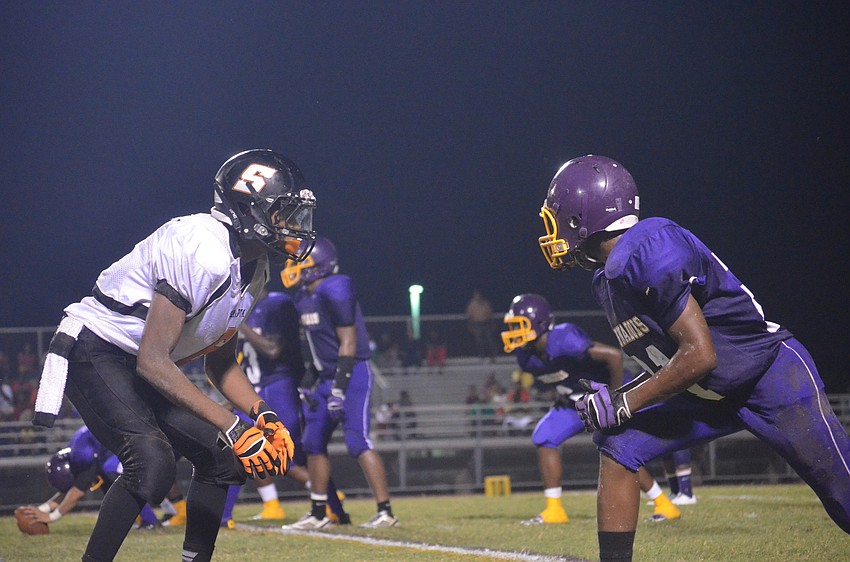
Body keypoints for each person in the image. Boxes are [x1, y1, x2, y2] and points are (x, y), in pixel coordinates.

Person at [537, 154, 850, 561]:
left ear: (585, 215)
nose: (553, 229)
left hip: (766, 375)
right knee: (616, 444)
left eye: (559, 217)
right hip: (704, 394)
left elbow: (701, 354)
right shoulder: (609, 278)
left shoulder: (649, 246)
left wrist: (625, 402)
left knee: (843, 498)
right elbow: (670, 359)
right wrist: (617, 400)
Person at [31, 148, 314, 561]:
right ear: (247, 210)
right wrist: (234, 425)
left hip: (138, 361)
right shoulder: (203, 247)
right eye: (282, 213)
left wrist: (261, 412)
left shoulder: (255, 269)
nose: (293, 226)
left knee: (223, 460)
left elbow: (220, 362)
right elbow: (153, 360)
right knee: (151, 463)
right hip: (96, 348)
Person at [501, 293, 680, 525]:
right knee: (545, 436)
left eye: (519, 325)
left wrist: (615, 401)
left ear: (540, 324)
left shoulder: (564, 339)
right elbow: (563, 376)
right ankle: (554, 511)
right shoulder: (525, 356)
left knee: (616, 449)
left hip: (604, 394)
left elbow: (614, 356)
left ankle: (664, 505)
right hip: (575, 400)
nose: (513, 331)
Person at [281, 236, 398, 529]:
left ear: (320, 264)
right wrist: (307, 381)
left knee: (358, 441)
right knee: (312, 443)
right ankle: (320, 512)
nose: (296, 264)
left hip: (352, 372)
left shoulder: (336, 288)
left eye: (303, 259)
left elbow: (348, 342)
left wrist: (339, 388)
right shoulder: (303, 297)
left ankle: (385, 511)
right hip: (324, 377)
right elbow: (314, 345)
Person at [219, 289, 349, 526]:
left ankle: (333, 505)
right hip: (256, 387)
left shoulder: (277, 305)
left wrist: (240, 324)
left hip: (279, 386)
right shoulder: (242, 306)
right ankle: (224, 515)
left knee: (295, 451)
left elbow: (273, 349)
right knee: (240, 445)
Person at [15, 426, 163, 532]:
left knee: (112, 473)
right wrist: (39, 510)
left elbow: (76, 492)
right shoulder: (75, 455)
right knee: (108, 480)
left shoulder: (82, 458)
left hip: (131, 447)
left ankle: (150, 522)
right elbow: (71, 490)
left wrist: (51, 517)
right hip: (117, 448)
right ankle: (125, 522)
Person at [465, 289, 497, 361]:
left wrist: (492, 323)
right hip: (477, 324)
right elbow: (469, 315)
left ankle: (492, 356)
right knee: (479, 341)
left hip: (486, 323)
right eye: (476, 295)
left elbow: (490, 313)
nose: (477, 296)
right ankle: (482, 357)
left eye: (478, 295)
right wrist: (470, 325)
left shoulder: (485, 303)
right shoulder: (471, 304)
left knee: (490, 340)